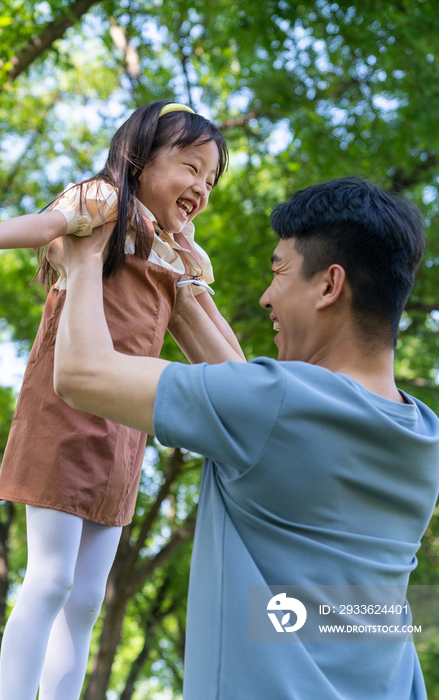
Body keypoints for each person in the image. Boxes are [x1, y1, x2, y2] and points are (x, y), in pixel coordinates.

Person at [0, 102, 244, 700]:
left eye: (210, 180)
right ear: (139, 157)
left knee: (88, 595)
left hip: (122, 426)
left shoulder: (173, 253)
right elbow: (43, 225)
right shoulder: (107, 203)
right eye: (191, 167)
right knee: (52, 577)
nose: (200, 187)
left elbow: (227, 358)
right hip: (64, 408)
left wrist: (195, 274)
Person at [50, 177, 439, 700]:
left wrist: (80, 261)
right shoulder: (423, 436)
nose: (265, 296)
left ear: (329, 285)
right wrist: (179, 283)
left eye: (278, 272)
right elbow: (250, 411)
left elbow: (80, 375)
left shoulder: (273, 406)